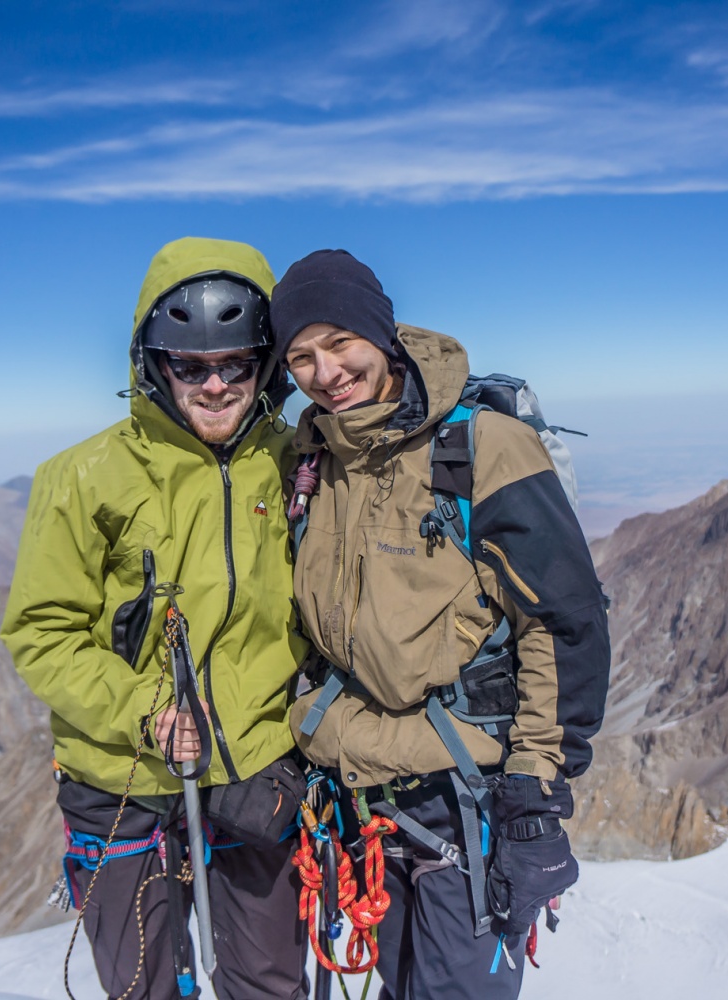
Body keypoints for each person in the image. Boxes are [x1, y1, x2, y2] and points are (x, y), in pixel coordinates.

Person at [272, 250, 609, 999]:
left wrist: (536, 796)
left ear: (381, 334)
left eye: (340, 343)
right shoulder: (314, 459)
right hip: (358, 797)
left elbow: (561, 622)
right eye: (301, 357)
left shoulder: (484, 448)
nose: (326, 372)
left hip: (466, 800)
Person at [2, 237, 309, 1000]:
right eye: (191, 366)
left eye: (237, 363)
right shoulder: (81, 478)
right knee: (142, 988)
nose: (216, 385)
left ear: (267, 363)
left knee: (270, 985)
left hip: (256, 764)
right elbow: (42, 631)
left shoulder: (299, 461)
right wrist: (148, 710)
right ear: (154, 364)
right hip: (122, 775)